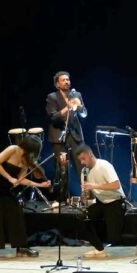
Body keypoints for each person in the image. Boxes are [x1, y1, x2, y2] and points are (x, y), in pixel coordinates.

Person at [74, 143, 137, 258]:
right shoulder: (84, 172)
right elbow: (90, 194)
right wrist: (84, 196)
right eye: (80, 160)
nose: (82, 162)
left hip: (116, 202)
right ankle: (99, 249)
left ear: (90, 154)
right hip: (101, 202)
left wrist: (94, 186)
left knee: (114, 238)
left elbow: (116, 185)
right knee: (82, 219)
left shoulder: (104, 165)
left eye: (83, 159)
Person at [0, 134, 49, 258]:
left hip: (5, 187)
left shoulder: (26, 160)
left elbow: (21, 179)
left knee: (15, 213)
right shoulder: (13, 149)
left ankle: (21, 247)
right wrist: (9, 178)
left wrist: (40, 185)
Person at [46, 70, 88, 202]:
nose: (67, 82)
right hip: (59, 136)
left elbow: (84, 114)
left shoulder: (76, 94)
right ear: (57, 84)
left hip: (75, 135)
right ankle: (62, 200)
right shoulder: (52, 97)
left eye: (68, 79)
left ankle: (85, 197)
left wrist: (79, 106)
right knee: (62, 169)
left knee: (82, 167)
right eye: (63, 80)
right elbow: (53, 117)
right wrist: (67, 107)